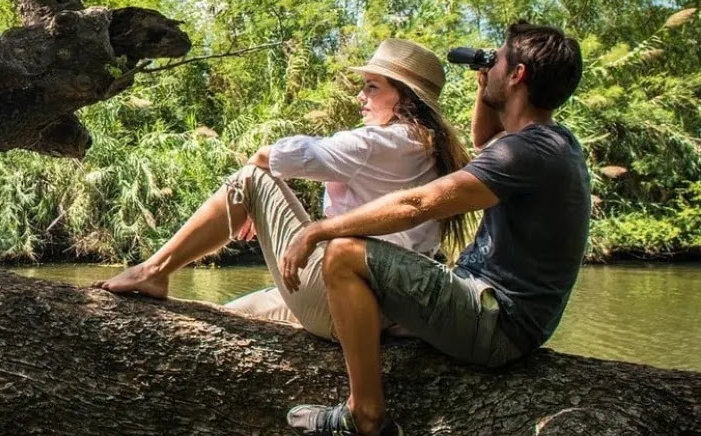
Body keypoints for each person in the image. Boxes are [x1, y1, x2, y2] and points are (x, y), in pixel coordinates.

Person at [281, 20, 590, 436]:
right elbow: (485, 138)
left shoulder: (529, 152)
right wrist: (488, 83)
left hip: (496, 321)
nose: (490, 64)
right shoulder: (549, 143)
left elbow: (418, 204)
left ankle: (364, 417)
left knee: (344, 254)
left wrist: (319, 228)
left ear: (517, 76)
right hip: (502, 314)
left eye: (497, 60)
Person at [94, 39, 471, 342]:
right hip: (381, 312)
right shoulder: (431, 149)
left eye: (372, 87)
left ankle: (153, 269)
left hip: (344, 298)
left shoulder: (381, 142)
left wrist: (261, 195)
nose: (361, 96)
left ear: (404, 97)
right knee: (235, 315)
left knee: (250, 178)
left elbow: (267, 156)